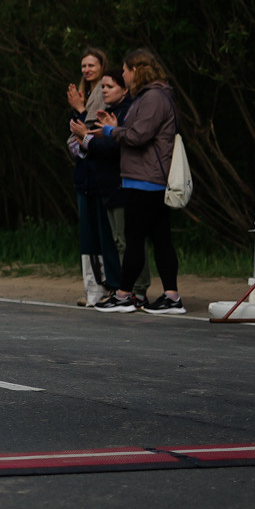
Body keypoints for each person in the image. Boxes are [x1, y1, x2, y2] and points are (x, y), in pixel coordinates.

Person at [99, 48, 185, 313]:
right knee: (160, 238)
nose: (122, 74)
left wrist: (111, 131)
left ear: (136, 70)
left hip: (145, 179)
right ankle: (171, 296)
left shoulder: (154, 98)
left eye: (124, 70)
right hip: (147, 178)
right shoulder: (151, 97)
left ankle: (125, 295)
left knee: (135, 238)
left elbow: (138, 136)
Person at [64, 49, 121, 306]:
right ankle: (94, 289)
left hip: (101, 173)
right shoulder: (86, 93)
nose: (87, 70)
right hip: (84, 175)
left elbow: (92, 132)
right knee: (88, 237)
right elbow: (74, 137)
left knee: (106, 234)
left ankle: (112, 286)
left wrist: (80, 110)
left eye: (92, 65)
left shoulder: (103, 92)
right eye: (83, 65)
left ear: (102, 66)